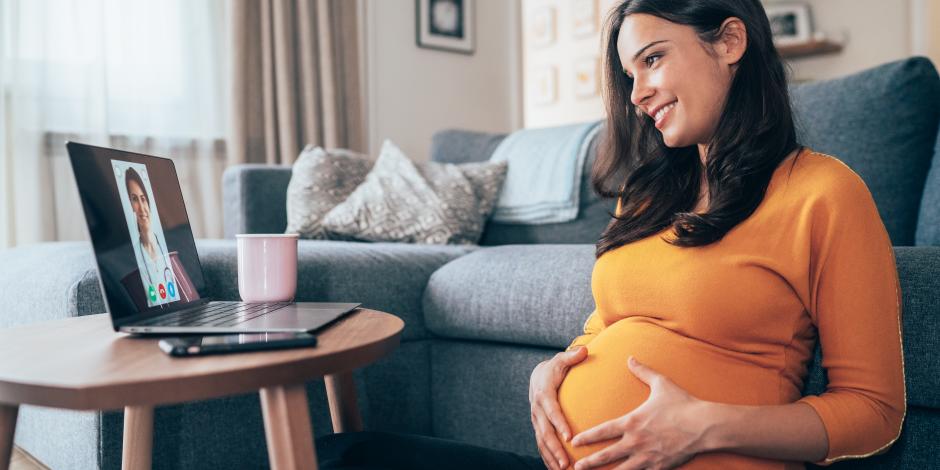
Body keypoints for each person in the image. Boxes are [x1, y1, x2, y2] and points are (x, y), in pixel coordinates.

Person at [317, 0, 905, 469]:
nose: (637, 93)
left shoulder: (823, 192)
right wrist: (554, 368)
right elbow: (612, 325)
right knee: (342, 454)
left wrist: (703, 425)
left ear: (729, 41)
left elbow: (875, 412)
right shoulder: (649, 194)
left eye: (653, 59)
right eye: (629, 74)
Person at [125, 167, 177, 304]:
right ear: (130, 205)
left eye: (143, 199)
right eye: (134, 199)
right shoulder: (132, 256)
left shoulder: (168, 247)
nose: (141, 208)